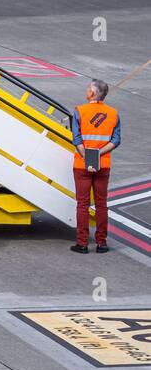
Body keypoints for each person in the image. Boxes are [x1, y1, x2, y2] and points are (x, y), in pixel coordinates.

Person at [71, 79, 120, 254]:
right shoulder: (113, 114)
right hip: (103, 165)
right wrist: (99, 155)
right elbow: (116, 140)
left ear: (92, 93)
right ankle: (102, 242)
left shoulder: (80, 111)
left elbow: (77, 139)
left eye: (88, 89)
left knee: (83, 204)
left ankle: (82, 243)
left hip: (82, 165)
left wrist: (88, 158)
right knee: (101, 204)